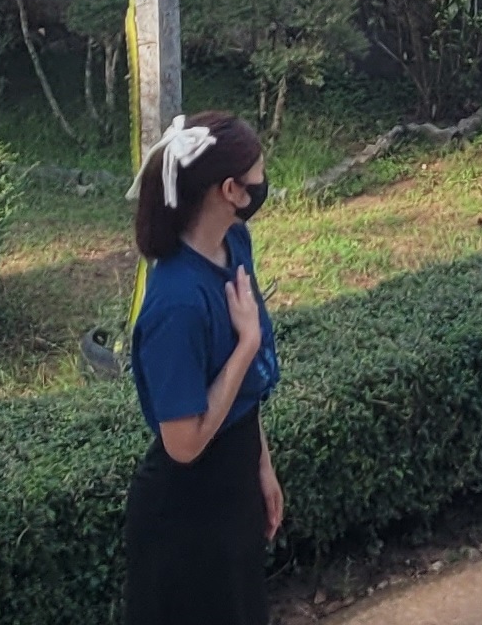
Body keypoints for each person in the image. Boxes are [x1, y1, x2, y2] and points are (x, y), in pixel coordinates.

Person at [124, 112, 282, 625]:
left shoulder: (234, 243)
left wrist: (261, 465)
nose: (264, 184)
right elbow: (183, 443)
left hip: (233, 486)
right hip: (184, 516)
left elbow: (245, 390)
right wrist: (245, 346)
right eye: (258, 174)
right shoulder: (177, 304)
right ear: (231, 189)